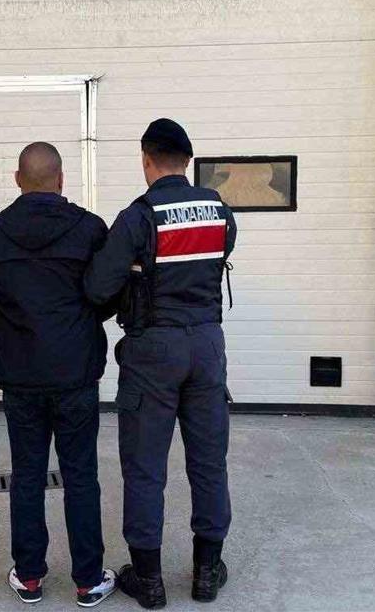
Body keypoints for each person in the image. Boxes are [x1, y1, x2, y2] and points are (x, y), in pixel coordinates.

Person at [84, 118, 238, 609]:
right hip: (207, 346)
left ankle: (149, 581)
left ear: (146, 160)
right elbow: (216, 256)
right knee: (209, 462)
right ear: (187, 162)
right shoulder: (219, 211)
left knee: (145, 466)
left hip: (153, 350)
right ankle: (207, 573)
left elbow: (98, 288)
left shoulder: (138, 217)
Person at [0, 142, 118, 608]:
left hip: (20, 373)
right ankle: (88, 580)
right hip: (75, 372)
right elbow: (105, 295)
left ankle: (30, 576)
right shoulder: (91, 230)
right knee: (81, 475)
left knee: (27, 475)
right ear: (61, 179)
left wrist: (17, 314)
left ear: (18, 179)